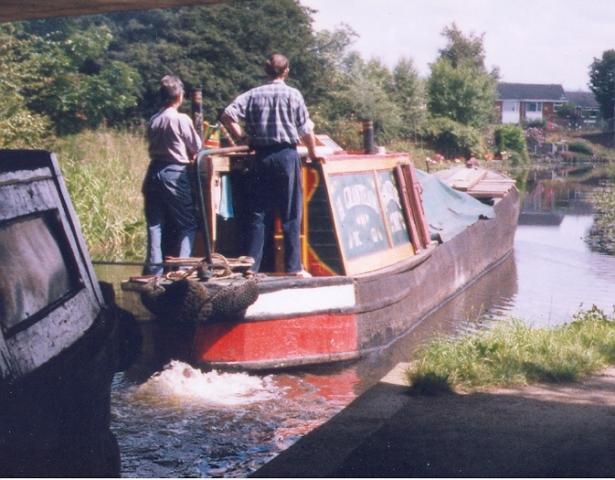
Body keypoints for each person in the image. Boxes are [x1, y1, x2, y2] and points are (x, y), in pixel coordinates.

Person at [221, 53, 318, 276]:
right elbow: (305, 129)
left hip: (260, 157)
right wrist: (312, 153)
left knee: (258, 213)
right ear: (286, 71)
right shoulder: (293, 95)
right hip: (286, 156)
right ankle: (293, 267)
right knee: (290, 213)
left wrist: (243, 137)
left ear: (266, 71)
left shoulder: (253, 94)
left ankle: (251, 269)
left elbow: (227, 115)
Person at [142, 75, 202, 275]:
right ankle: (183, 268)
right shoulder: (180, 119)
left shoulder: (154, 119)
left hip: (153, 172)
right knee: (189, 223)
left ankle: (153, 272)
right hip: (174, 173)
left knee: (155, 224)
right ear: (179, 96)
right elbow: (197, 147)